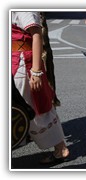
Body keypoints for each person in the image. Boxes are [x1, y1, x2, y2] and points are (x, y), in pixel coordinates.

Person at [12, 11, 69, 164]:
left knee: (33, 107)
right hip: (15, 61)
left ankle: (61, 148)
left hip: (24, 63)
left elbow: (36, 35)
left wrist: (36, 71)